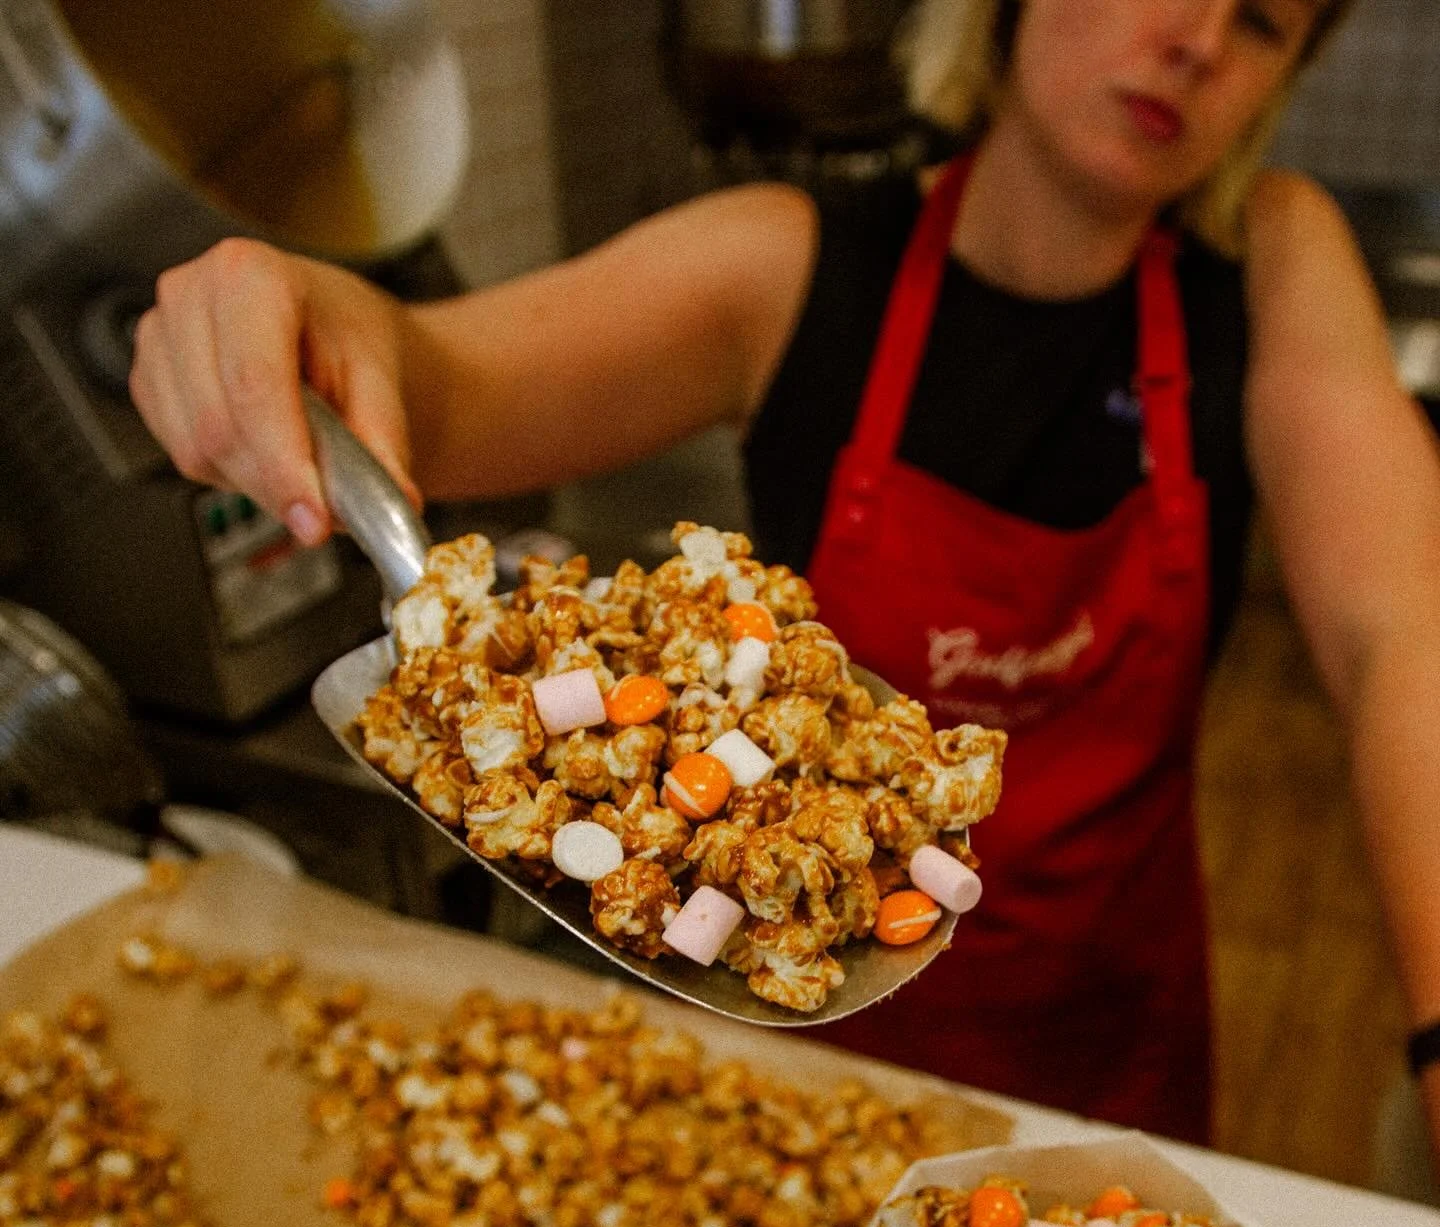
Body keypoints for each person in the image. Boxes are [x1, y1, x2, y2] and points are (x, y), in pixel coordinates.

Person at [129, 0, 1440, 1158]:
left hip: (1104, 1043)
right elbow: (431, 373)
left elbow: (1406, 636)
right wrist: (290, 311)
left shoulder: (1271, 265)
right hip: (797, 1038)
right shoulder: (794, 262)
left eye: (1266, 18)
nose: (1198, 36)